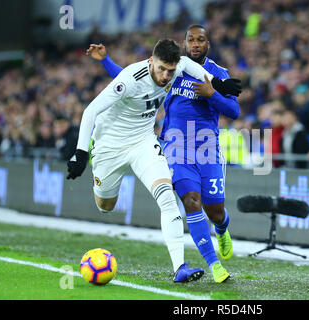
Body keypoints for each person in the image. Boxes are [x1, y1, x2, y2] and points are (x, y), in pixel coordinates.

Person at [67, 38, 241, 283]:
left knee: (167, 197)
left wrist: (218, 84)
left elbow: (194, 69)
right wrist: (80, 153)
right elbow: (90, 111)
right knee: (105, 206)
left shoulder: (177, 67)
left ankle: (180, 267)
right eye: (161, 69)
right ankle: (101, 182)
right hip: (109, 146)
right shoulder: (129, 79)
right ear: (152, 61)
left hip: (143, 142)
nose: (166, 75)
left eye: (171, 70)